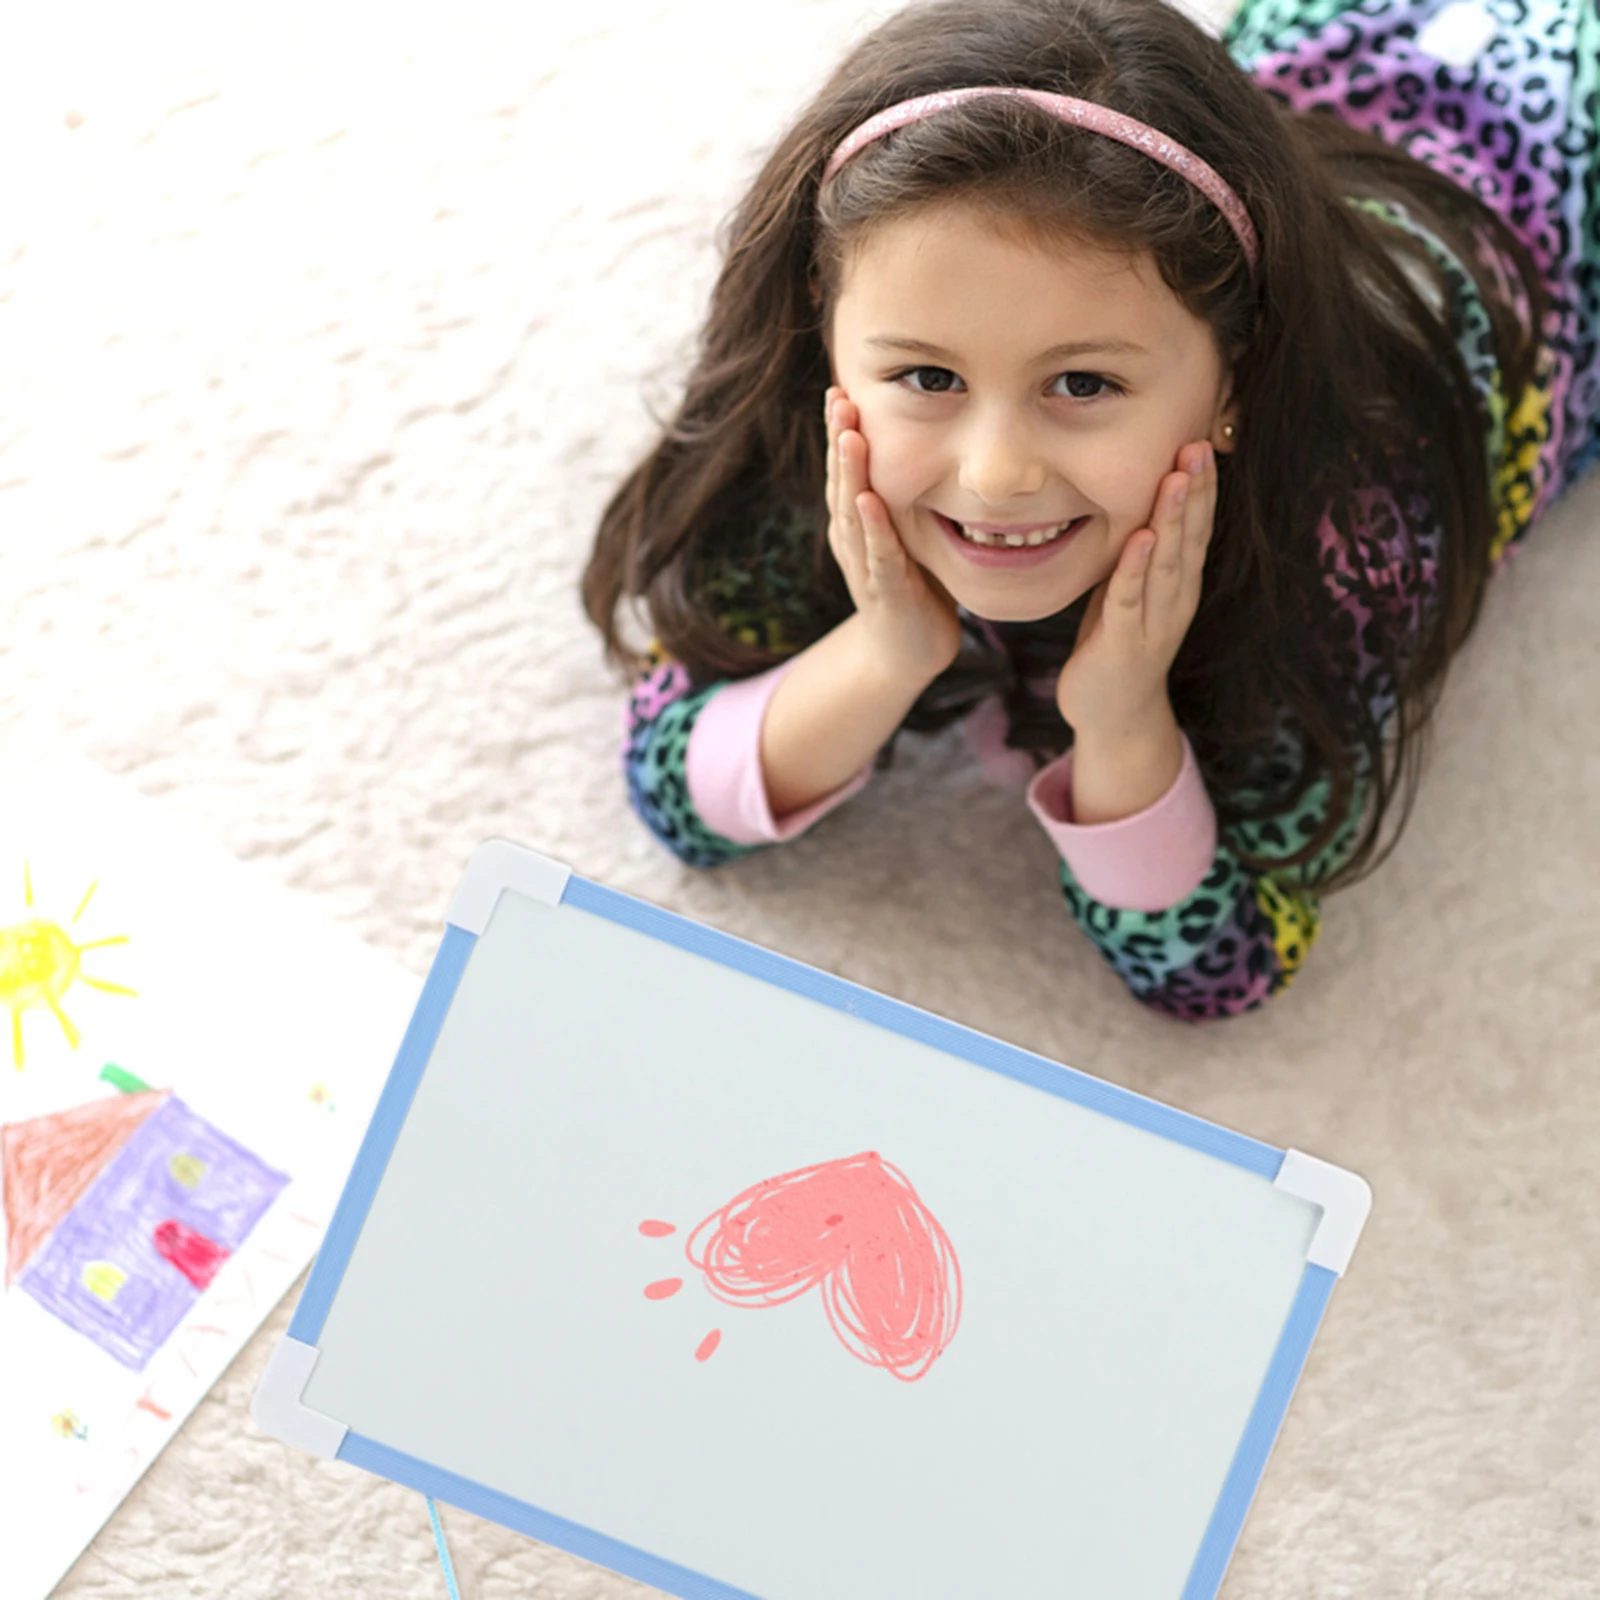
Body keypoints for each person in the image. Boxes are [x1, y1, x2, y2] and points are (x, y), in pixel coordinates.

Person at [582, 0, 1596, 1020]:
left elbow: (1213, 966)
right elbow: (676, 794)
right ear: (822, 325)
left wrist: (1120, 716)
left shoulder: (1343, 533)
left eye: (1081, 387)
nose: (995, 475)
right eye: (928, 376)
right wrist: (885, 649)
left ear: (1235, 381)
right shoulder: (821, 436)